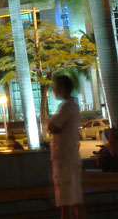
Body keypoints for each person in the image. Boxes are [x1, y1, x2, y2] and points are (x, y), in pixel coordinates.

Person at [47, 75, 86, 219]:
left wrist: (52, 125)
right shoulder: (70, 106)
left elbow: (52, 125)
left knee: (66, 202)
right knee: (76, 201)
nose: (53, 91)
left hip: (64, 161)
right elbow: (54, 127)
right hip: (69, 159)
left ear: (62, 89)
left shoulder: (67, 107)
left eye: (55, 88)